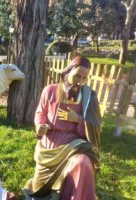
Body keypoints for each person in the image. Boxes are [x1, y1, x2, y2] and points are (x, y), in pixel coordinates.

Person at [23, 56, 102, 200]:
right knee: (39, 189)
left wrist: (77, 119)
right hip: (50, 145)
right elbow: (41, 112)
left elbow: (95, 125)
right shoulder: (50, 90)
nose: (80, 80)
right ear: (68, 72)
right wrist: (41, 126)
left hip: (75, 145)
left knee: (83, 162)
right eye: (77, 75)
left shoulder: (88, 96)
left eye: (85, 77)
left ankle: (75, 196)